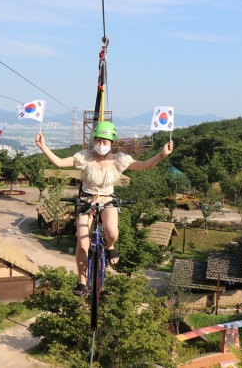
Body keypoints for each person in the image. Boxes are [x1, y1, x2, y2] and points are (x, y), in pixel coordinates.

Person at [36, 121, 173, 295]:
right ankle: (82, 282)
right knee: (83, 242)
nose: (101, 145)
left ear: (111, 144)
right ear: (94, 141)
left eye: (105, 142)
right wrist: (43, 146)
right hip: (86, 200)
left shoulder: (119, 160)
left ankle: (110, 247)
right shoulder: (84, 157)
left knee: (111, 231)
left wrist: (162, 154)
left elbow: (143, 165)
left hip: (108, 199)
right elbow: (59, 162)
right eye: (98, 141)